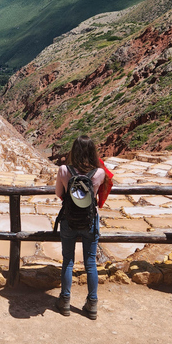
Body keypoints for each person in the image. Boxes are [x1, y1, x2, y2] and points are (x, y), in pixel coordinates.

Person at [54, 135, 106, 320]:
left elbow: (59, 194)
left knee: (68, 260)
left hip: (69, 220)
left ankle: (65, 300)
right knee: (90, 262)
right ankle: (92, 304)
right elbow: (97, 195)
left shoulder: (63, 170)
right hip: (89, 221)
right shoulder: (99, 173)